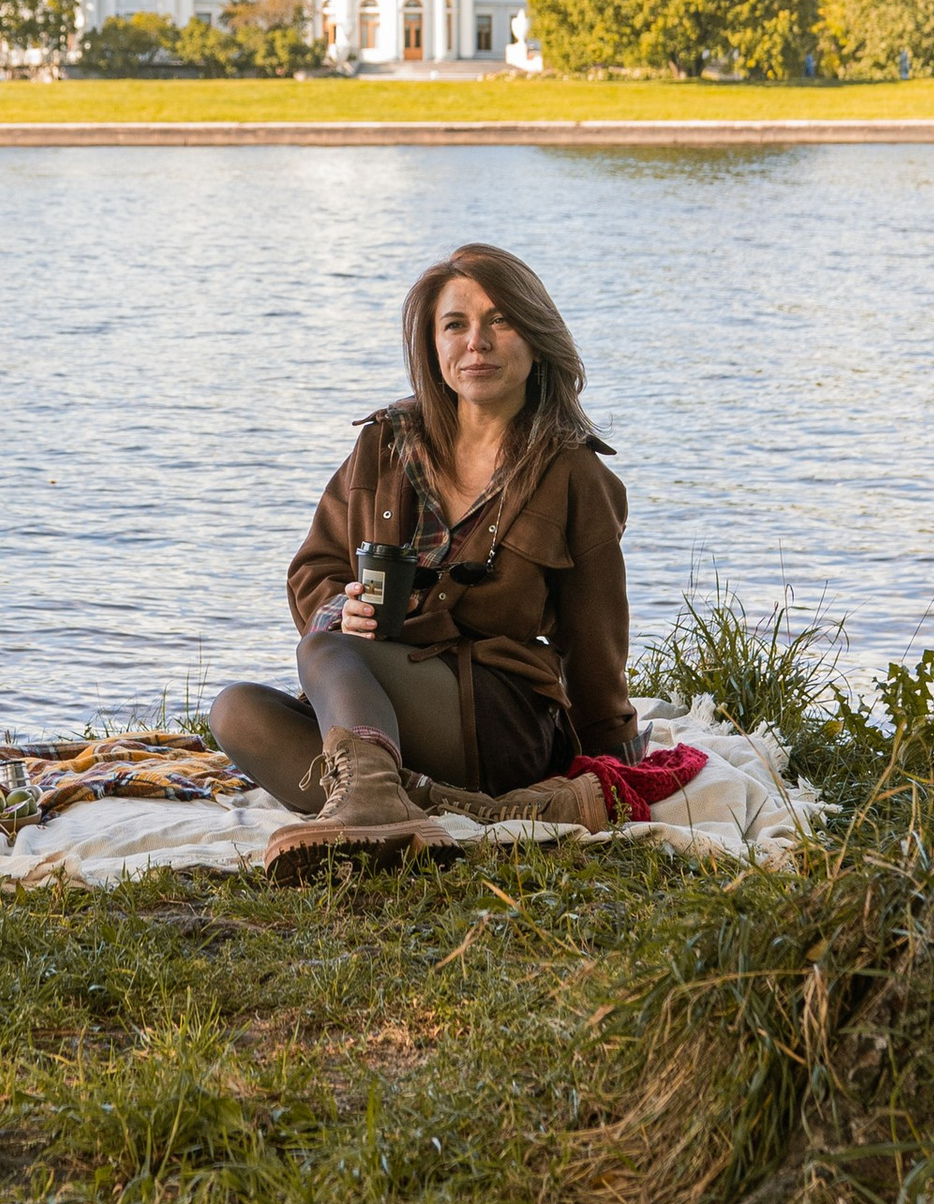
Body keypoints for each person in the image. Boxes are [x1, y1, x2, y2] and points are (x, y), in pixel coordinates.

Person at [209, 241, 633, 875]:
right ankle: (436, 809)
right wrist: (338, 609)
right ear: (432, 347)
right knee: (237, 710)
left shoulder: (575, 472)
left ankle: (372, 804)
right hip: (388, 701)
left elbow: (596, 640)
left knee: (325, 651)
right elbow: (315, 568)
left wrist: (613, 764)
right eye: (455, 324)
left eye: (500, 321)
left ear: (537, 337)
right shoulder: (384, 444)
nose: (476, 343)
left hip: (500, 715)